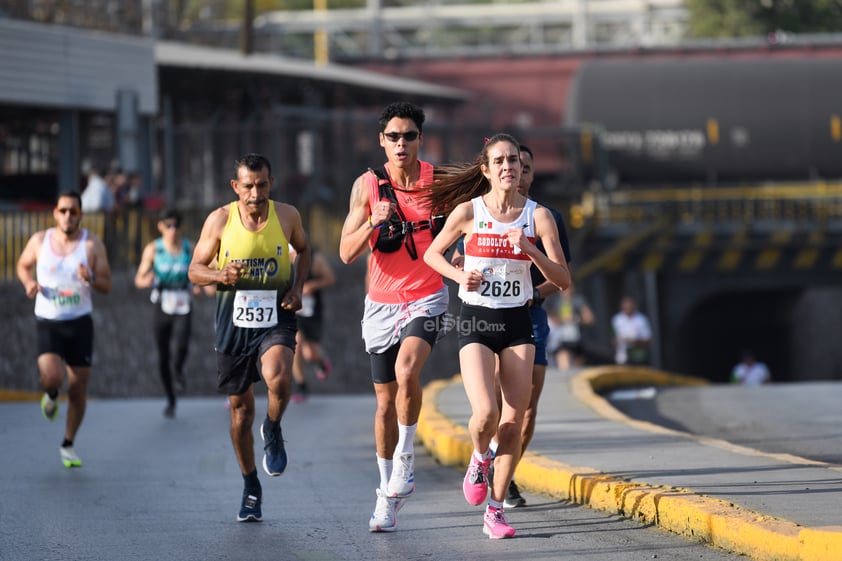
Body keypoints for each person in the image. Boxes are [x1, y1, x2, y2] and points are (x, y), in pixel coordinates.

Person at [423, 133, 570, 539]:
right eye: (500, 161)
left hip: (517, 323)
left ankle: (495, 509)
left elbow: (563, 279)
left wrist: (531, 250)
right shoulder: (469, 212)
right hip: (476, 321)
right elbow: (432, 254)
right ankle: (477, 456)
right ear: (486, 170)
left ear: (523, 170)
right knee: (485, 413)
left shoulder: (539, 218)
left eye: (514, 162)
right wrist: (458, 275)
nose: (509, 168)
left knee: (513, 419)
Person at [339, 101, 449, 533]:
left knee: (408, 371)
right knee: (384, 403)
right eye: (393, 136)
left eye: (409, 136)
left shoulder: (438, 182)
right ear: (381, 141)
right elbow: (347, 252)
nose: (401, 144)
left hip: (427, 296)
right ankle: (386, 494)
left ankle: (406, 461)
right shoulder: (367, 186)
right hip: (380, 303)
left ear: (420, 139)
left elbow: (465, 226)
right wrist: (373, 222)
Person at [188, 153, 311, 523]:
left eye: (261, 185)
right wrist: (219, 276)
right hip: (233, 324)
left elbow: (304, 250)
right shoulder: (220, 220)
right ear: (235, 187)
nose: (255, 194)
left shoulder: (287, 216)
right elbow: (194, 269)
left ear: (270, 184)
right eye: (247, 186)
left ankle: (272, 428)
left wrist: (298, 287)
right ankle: (250, 485)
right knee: (241, 412)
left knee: (279, 376)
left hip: (276, 315)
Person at [15, 191, 112, 468]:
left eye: (73, 211)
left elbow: (107, 284)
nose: (68, 216)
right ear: (55, 213)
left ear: (80, 214)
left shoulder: (92, 244)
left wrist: (90, 277)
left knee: (79, 388)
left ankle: (68, 444)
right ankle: (51, 394)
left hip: (80, 322)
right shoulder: (39, 241)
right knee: (52, 376)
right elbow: (22, 266)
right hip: (49, 321)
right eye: (63, 210)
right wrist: (28, 283)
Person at [134, 208, 210, 418]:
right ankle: (170, 399)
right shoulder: (154, 250)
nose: (172, 230)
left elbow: (199, 274)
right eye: (168, 225)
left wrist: (197, 286)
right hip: (162, 304)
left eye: (176, 225)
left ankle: (178, 370)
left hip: (183, 303)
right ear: (161, 226)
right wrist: (146, 280)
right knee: (163, 355)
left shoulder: (189, 247)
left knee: (183, 344)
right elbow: (138, 279)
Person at [288, 245, 336, 403]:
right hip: (293, 311)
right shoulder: (282, 258)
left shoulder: (315, 259)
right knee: (297, 343)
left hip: (312, 311)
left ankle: (321, 361)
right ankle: (301, 386)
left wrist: (313, 285)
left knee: (310, 353)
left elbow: (330, 278)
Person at [547, 281, 595, 370]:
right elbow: (552, 318)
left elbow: (590, 319)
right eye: (564, 288)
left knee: (577, 369)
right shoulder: (556, 301)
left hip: (577, 339)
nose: (566, 291)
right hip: (562, 339)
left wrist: (576, 319)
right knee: (564, 363)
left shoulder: (578, 300)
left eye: (569, 288)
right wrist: (561, 319)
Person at [611, 295, 652, 365]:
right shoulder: (617, 319)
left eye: (630, 307)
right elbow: (613, 339)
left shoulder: (641, 319)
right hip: (622, 358)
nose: (628, 309)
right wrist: (619, 341)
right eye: (626, 307)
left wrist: (633, 342)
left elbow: (648, 340)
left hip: (639, 357)